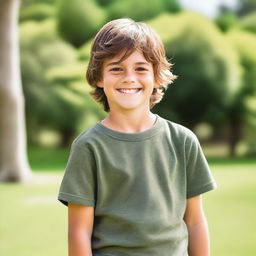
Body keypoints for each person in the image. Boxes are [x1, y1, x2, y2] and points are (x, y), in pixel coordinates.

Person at [58, 18, 217, 256]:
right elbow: (79, 232)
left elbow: (195, 222)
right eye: (116, 68)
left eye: (141, 68)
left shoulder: (183, 140)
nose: (129, 77)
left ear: (156, 77)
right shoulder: (89, 146)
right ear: (99, 77)